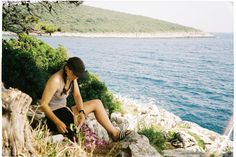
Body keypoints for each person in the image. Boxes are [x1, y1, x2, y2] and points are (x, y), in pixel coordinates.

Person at [40, 57, 131, 142]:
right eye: (75, 75)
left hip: (64, 111)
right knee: (76, 131)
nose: (77, 77)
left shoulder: (71, 76)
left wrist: (81, 112)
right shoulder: (55, 80)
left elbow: (77, 95)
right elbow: (43, 104)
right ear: (67, 69)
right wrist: (58, 122)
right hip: (52, 116)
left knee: (97, 103)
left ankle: (114, 133)